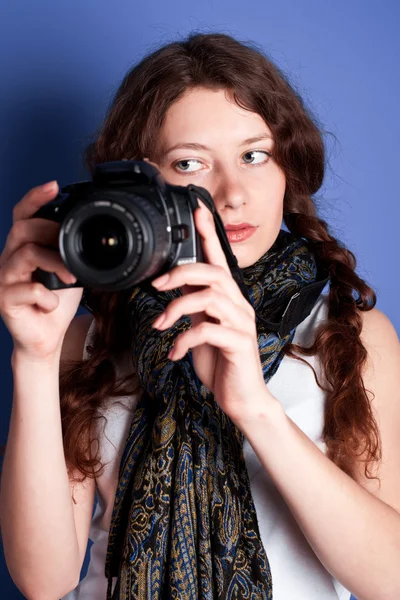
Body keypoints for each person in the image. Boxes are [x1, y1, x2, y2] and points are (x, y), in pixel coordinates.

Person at [0, 32, 399, 600]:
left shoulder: (351, 337)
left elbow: (392, 579)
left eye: (254, 155)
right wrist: (34, 358)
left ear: (289, 164)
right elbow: (43, 581)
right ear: (142, 187)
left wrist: (255, 408)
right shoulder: (86, 343)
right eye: (190, 163)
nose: (232, 193)